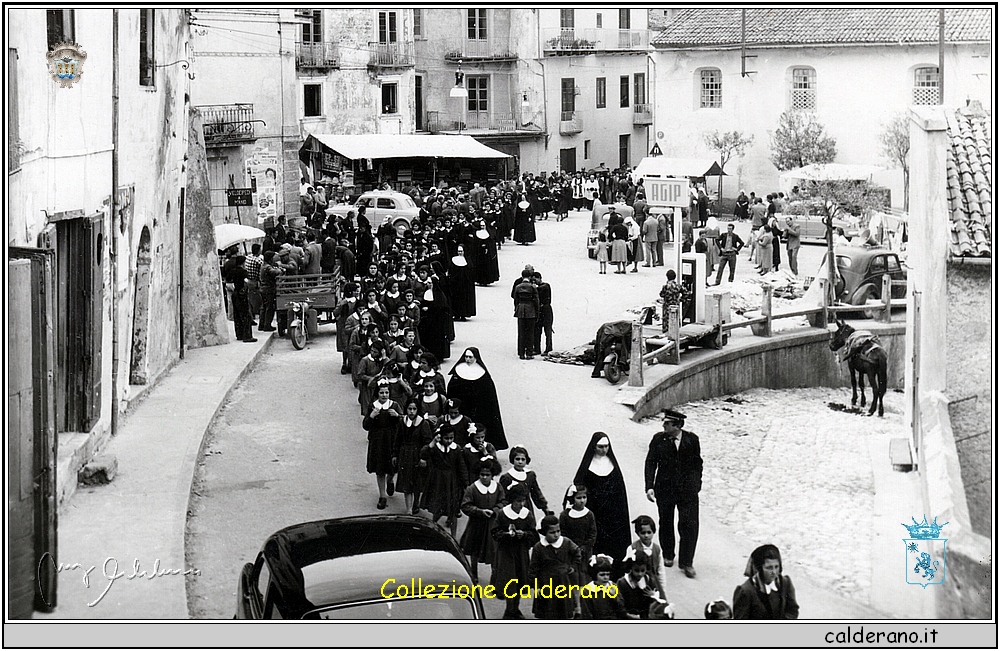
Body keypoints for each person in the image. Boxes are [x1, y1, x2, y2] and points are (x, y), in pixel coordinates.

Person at [644, 409, 703, 579]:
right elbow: (650, 463)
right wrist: (649, 486)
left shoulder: (692, 440)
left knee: (689, 525)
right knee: (666, 522)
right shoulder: (658, 439)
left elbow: (697, 464)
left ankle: (687, 562)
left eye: (667, 423)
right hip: (665, 489)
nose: (663, 425)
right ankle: (668, 554)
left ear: (677, 425)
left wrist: (696, 484)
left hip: (688, 491)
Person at [573, 433, 630, 578]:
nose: (604, 449)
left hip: (612, 513)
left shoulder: (613, 465)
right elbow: (579, 486)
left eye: (606, 446)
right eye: (600, 446)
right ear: (594, 446)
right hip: (595, 511)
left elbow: (620, 490)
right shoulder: (588, 465)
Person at [490, 483, 538, 619]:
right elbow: (494, 532)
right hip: (506, 553)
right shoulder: (503, 514)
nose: (521, 504)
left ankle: (514, 608)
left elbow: (534, 535)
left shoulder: (527, 515)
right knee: (509, 580)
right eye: (518, 501)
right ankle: (509, 610)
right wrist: (505, 535)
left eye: (523, 500)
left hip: (521, 553)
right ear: (512, 500)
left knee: (520, 581)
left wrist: (524, 534)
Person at [447, 347, 509, 451]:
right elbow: (451, 389)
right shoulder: (458, 371)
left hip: (479, 408)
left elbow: (489, 394)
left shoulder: (482, 374)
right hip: (463, 407)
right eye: (466, 357)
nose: (468, 359)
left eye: (470, 357)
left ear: (476, 358)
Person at [529, 514, 583, 620]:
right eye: (552, 532)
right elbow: (533, 568)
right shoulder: (539, 547)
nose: (556, 535)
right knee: (548, 611)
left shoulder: (566, 542)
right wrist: (536, 586)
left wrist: (572, 566)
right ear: (544, 533)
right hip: (546, 582)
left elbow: (577, 552)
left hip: (563, 581)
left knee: (563, 609)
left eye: (558, 531)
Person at [460, 457, 504, 583]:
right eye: (482, 474)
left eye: (487, 475)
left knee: (494, 550)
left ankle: (494, 576)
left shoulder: (498, 487)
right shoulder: (472, 488)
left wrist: (495, 510)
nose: (484, 477)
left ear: (493, 475)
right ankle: (474, 573)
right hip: (476, 524)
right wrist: (479, 511)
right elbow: (465, 506)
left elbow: (503, 501)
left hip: (492, 524)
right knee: (475, 549)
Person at [420, 427, 466, 536]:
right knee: (438, 507)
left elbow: (461, 466)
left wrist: (465, 482)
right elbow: (423, 454)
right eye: (446, 438)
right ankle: (432, 530)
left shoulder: (457, 449)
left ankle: (453, 536)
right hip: (438, 480)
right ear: (440, 437)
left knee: (453, 509)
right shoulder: (435, 448)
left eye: (451, 438)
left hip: (452, 481)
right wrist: (433, 442)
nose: (449, 441)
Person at [363, 380, 401, 510]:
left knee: (393, 465)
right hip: (378, 440)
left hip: (392, 439)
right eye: (381, 393)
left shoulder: (394, 405)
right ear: (377, 394)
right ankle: (382, 495)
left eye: (386, 392)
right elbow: (366, 426)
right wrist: (371, 416)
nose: (384, 395)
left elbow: (402, 423)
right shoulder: (373, 406)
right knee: (380, 469)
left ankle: (390, 480)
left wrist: (398, 416)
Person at [733, 544, 800, 619]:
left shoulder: (785, 583)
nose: (774, 572)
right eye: (769, 568)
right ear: (759, 569)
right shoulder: (746, 591)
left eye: (776, 567)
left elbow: (792, 610)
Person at [394, 398, 435, 515]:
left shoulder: (423, 423)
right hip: (405, 455)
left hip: (418, 455)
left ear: (418, 410)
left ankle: (416, 502)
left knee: (417, 481)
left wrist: (424, 457)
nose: (411, 411)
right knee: (407, 482)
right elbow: (397, 439)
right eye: (409, 409)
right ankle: (408, 509)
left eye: (414, 409)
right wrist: (395, 455)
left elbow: (427, 442)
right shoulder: (402, 422)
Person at [558, 484, 597, 586]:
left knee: (585, 578)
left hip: (585, 552)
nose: (582, 500)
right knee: (571, 578)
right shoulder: (565, 515)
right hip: (570, 552)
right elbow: (562, 533)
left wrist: (584, 548)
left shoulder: (589, 514)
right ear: (572, 498)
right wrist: (572, 548)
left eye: (584, 497)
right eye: (578, 498)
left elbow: (592, 534)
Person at [499, 446, 551, 520]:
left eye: (523, 459)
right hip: (512, 507)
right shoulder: (507, 477)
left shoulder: (530, 475)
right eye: (517, 459)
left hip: (526, 506)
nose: (520, 462)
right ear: (512, 460)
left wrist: (545, 508)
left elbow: (536, 493)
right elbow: (503, 496)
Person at [627, 515, 668, 600]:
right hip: (638, 581)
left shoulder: (656, 549)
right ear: (637, 533)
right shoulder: (633, 548)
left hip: (653, 582)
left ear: (653, 532)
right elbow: (628, 569)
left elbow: (660, 569)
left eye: (649, 532)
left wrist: (662, 588)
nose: (646, 536)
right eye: (643, 533)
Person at [580, 555, 627, 619]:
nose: (606, 577)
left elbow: (622, 610)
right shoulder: (587, 591)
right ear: (594, 574)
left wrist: (614, 597)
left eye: (608, 574)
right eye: (602, 575)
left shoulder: (612, 586)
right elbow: (586, 615)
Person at [615, 550, 658, 619]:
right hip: (627, 616)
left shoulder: (648, 580)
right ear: (631, 568)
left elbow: (654, 604)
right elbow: (618, 604)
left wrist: (653, 595)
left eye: (643, 570)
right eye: (636, 570)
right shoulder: (623, 583)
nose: (640, 574)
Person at [512, 272, 539, 360]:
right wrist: (537, 312)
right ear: (530, 277)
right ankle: (529, 353)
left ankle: (521, 353)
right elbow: (536, 301)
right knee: (530, 333)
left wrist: (517, 309)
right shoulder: (532, 287)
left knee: (521, 332)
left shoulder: (518, 287)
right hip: (531, 310)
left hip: (520, 310)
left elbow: (515, 300)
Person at [532, 272, 554, 356]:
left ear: (539, 278)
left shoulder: (545, 286)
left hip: (546, 310)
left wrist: (534, 288)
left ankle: (548, 348)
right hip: (541, 310)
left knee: (547, 330)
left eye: (535, 279)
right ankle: (537, 348)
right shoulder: (541, 287)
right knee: (537, 331)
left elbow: (540, 291)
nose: (534, 282)